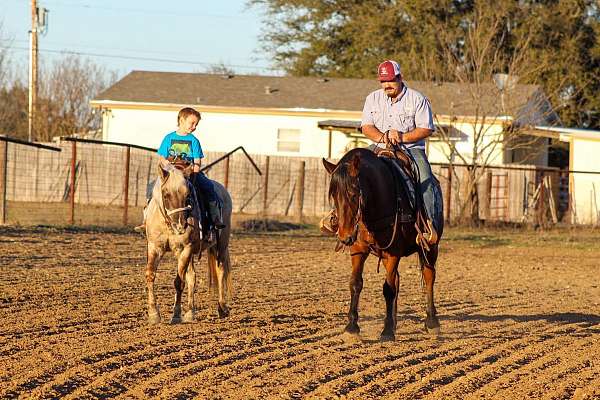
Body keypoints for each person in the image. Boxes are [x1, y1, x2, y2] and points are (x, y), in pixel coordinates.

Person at [361, 60, 440, 236]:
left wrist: (402, 137)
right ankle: (339, 219)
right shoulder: (372, 98)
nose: (387, 85)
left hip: (411, 148)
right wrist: (384, 137)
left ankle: (429, 225)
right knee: (352, 169)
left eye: (391, 80)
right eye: (383, 81)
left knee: (425, 178)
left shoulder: (417, 99)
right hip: (379, 145)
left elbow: (426, 128)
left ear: (400, 77)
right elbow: (366, 127)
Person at [136, 107, 224, 233]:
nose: (194, 127)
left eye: (196, 124)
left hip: (188, 174)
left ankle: (214, 218)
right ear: (182, 120)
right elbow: (161, 157)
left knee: (208, 187)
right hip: (171, 174)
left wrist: (195, 168)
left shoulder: (194, 141)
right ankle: (146, 220)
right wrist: (168, 166)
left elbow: (197, 160)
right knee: (151, 188)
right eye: (192, 123)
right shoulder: (168, 138)